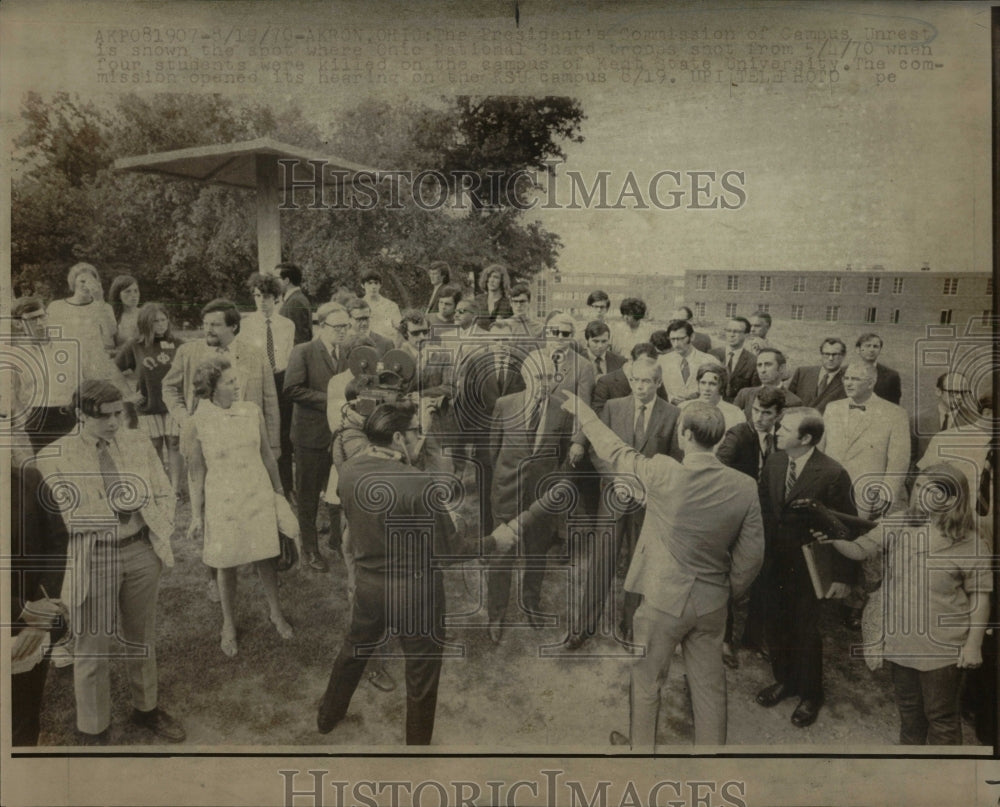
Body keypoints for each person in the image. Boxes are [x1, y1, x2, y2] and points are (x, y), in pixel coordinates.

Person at [538, 396, 763, 747]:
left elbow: (613, 450)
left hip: (662, 601)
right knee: (709, 689)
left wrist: (585, 413)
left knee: (647, 682)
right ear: (718, 439)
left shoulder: (662, 470)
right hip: (712, 602)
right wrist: (725, 592)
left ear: (684, 433)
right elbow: (751, 557)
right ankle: (711, 766)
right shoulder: (744, 486)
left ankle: (640, 755)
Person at [37, 380, 185, 743]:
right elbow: (63, 520)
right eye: (105, 417)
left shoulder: (135, 441)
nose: (115, 423)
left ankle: (146, 709)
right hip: (94, 558)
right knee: (92, 649)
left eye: (119, 413)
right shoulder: (53, 456)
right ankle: (94, 728)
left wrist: (157, 531)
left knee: (142, 639)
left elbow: (163, 490)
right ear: (80, 414)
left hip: (140, 551)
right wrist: (114, 506)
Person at [823, 464, 991, 745]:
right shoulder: (900, 523)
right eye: (918, 487)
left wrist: (973, 645)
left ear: (951, 499)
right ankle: (911, 771)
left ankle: (946, 782)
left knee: (941, 717)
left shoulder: (971, 543)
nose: (919, 494)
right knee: (910, 714)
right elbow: (861, 549)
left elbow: (981, 596)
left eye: (929, 490)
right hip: (901, 641)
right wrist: (834, 540)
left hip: (943, 648)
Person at [317, 400, 450, 745]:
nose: (416, 439)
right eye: (412, 433)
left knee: (353, 650)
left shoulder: (348, 472)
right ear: (396, 437)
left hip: (370, 587)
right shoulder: (421, 483)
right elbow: (450, 550)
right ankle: (417, 747)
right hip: (417, 594)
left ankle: (327, 716)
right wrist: (499, 538)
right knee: (421, 672)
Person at [566, 356, 682, 649]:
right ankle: (584, 626)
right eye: (635, 380)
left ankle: (631, 625)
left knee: (639, 565)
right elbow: (595, 450)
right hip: (614, 498)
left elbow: (673, 462)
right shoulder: (613, 408)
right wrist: (616, 479)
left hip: (648, 504)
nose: (640, 387)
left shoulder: (672, 414)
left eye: (646, 381)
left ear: (658, 382)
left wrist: (647, 487)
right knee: (600, 564)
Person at [184, 357, 293, 657]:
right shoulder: (198, 420)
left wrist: (280, 493)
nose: (237, 385)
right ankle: (228, 624)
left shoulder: (251, 410)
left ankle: (276, 612)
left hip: (257, 491)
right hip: (223, 498)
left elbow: (267, 455)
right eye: (230, 382)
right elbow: (196, 471)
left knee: (266, 557)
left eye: (236, 380)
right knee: (225, 562)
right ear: (212, 388)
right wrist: (196, 514)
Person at [755, 407, 856, 729]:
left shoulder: (832, 474)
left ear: (806, 438)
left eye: (784, 428)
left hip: (808, 569)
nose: (775, 431)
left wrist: (842, 577)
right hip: (772, 564)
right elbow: (762, 513)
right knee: (774, 623)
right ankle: (785, 680)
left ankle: (811, 694)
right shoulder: (774, 462)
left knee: (805, 631)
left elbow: (846, 528)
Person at [486, 353, 575, 643]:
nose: (543, 384)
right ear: (526, 377)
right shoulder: (504, 404)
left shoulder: (562, 411)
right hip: (506, 494)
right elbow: (492, 451)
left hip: (541, 500)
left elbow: (560, 455)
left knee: (537, 553)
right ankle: (496, 614)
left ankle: (531, 604)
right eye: (538, 377)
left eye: (549, 377)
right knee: (501, 556)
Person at [716, 386, 786, 667]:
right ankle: (724, 640)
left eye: (766, 413)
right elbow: (719, 466)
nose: (758, 417)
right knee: (729, 574)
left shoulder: (783, 438)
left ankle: (754, 636)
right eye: (755, 410)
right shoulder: (737, 434)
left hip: (769, 519)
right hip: (736, 516)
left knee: (765, 575)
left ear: (778, 414)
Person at [284, 302, 354, 572]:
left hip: (341, 434)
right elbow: (292, 389)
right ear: (321, 326)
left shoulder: (348, 352)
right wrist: (332, 399)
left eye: (345, 326)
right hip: (310, 436)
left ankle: (339, 541)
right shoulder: (303, 351)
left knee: (340, 491)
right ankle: (310, 550)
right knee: (308, 495)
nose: (342, 331)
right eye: (337, 327)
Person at [10, 460, 69, 745]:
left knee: (24, 718)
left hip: (32, 634)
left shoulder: (29, 479)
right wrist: (21, 611)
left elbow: (57, 541)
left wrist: (41, 615)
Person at [114, 303, 185, 494]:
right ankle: (160, 486)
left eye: (164, 320)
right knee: (154, 445)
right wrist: (129, 394)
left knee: (174, 442)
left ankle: (175, 488)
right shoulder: (135, 346)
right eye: (155, 321)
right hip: (147, 404)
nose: (161, 325)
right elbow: (114, 370)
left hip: (174, 404)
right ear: (146, 324)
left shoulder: (178, 344)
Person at [45, 263, 132, 396]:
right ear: (73, 282)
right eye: (82, 281)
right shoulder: (56, 307)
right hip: (67, 365)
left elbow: (110, 333)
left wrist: (99, 300)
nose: (86, 285)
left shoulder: (104, 307)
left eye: (91, 281)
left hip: (94, 364)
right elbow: (49, 339)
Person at [9, 297, 79, 451]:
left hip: (69, 415)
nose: (40, 323)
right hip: (38, 420)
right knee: (46, 469)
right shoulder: (16, 355)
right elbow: (12, 395)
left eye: (42, 316)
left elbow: (80, 382)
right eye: (33, 319)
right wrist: (25, 425)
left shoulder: (67, 347)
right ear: (18, 323)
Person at [911, 372, 977, 468]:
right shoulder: (918, 421)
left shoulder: (973, 422)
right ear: (938, 391)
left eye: (963, 393)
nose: (959, 397)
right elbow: (909, 459)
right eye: (953, 392)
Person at [591, 342, 668, 416]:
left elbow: (664, 409)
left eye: (650, 365)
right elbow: (598, 415)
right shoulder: (606, 382)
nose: (646, 368)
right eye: (642, 363)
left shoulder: (653, 379)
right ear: (630, 360)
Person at [733, 348, 803, 419]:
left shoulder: (793, 401)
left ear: (781, 368)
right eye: (759, 365)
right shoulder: (745, 394)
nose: (762, 370)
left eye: (768, 364)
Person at [657, 320, 714, 405]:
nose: (676, 344)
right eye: (672, 339)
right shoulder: (662, 361)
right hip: (671, 411)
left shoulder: (709, 361)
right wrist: (671, 399)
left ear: (692, 337)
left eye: (681, 339)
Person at [786, 338, 848, 413]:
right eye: (827, 354)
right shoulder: (802, 372)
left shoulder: (847, 379)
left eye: (835, 354)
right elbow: (788, 401)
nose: (830, 358)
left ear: (843, 356)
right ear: (821, 355)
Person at [680, 363, 744, 433]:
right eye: (703, 383)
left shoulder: (735, 413)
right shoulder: (684, 408)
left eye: (712, 384)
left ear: (722, 386)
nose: (707, 388)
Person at [709, 316, 757, 402]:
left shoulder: (753, 361)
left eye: (737, 332)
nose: (732, 335)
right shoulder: (712, 354)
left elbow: (753, 393)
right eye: (729, 331)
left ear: (746, 335)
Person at [854, 332, 902, 405]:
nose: (871, 350)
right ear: (858, 349)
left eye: (875, 346)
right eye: (867, 346)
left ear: (880, 350)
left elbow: (894, 406)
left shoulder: (891, 376)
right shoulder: (845, 372)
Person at [277, 262, 313, 345]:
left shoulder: (295, 302)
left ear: (286, 281)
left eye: (276, 279)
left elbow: (298, 338)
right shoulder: (296, 299)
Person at [360, 269, 402, 338]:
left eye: (376, 283)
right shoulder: (358, 306)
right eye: (369, 283)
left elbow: (400, 330)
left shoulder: (391, 306)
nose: (373, 287)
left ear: (380, 285)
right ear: (362, 285)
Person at [109, 274, 142, 346]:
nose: (133, 295)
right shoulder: (112, 316)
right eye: (128, 291)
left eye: (136, 291)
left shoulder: (146, 314)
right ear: (118, 295)